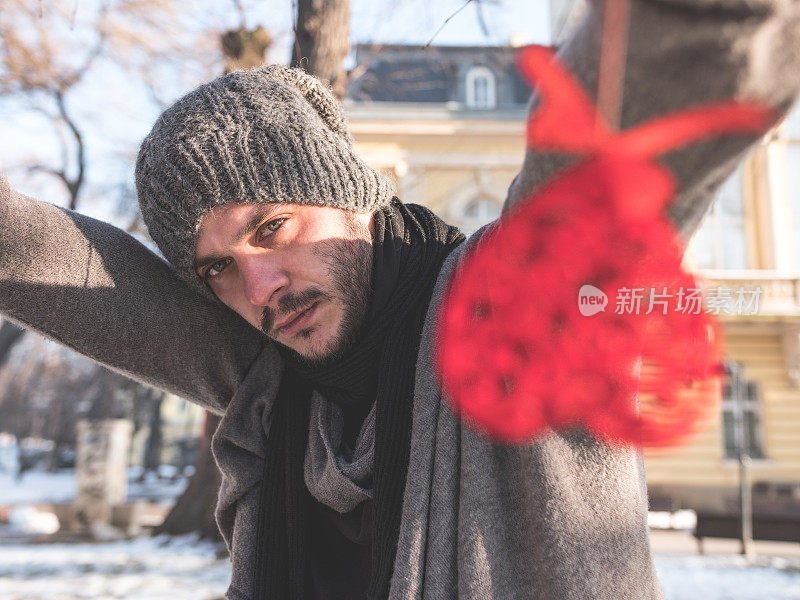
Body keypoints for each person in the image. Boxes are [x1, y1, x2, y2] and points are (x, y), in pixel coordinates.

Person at [1, 1, 799, 598]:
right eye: (216, 270)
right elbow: (38, 257)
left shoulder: (515, 309)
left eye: (273, 227)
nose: (260, 288)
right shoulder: (264, 374)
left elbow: (643, 101)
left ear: (352, 198)